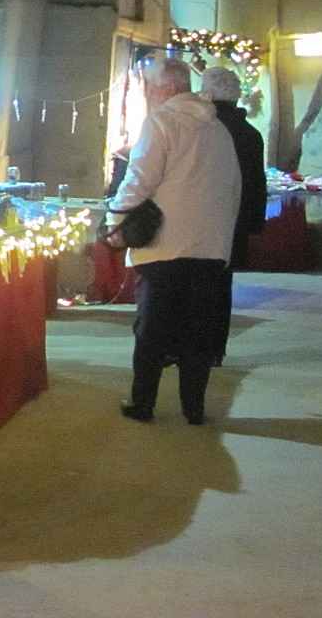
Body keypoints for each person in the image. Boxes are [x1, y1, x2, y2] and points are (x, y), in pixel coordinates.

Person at [106, 57, 241, 425]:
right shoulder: (217, 129)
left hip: (165, 246)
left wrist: (114, 221)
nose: (147, 93)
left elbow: (139, 180)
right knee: (197, 332)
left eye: (149, 86)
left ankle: (143, 403)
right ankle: (193, 408)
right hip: (210, 248)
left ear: (165, 88)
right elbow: (233, 188)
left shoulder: (161, 122)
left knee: (152, 330)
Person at [199, 66, 267, 364]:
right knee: (221, 285)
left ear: (207, 93)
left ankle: (190, 346)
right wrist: (252, 223)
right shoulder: (250, 134)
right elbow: (256, 182)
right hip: (234, 221)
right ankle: (215, 349)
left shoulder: (203, 128)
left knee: (194, 285)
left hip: (201, 217)